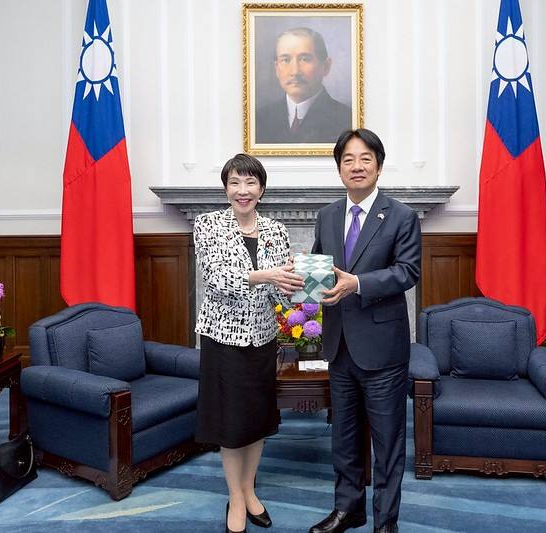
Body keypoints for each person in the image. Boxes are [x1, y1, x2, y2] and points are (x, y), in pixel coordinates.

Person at [309, 129, 421, 533]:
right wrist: (311, 286)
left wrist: (356, 284)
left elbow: (407, 272)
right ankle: (348, 508)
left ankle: (385, 521)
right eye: (348, 160)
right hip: (339, 345)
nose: (356, 166)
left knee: (387, 441)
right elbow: (323, 271)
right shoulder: (326, 215)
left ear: (379, 164)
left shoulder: (401, 216)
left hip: (383, 348)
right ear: (339, 168)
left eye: (365, 159)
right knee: (344, 436)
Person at [193, 153, 304, 533]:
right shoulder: (207, 225)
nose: (243, 191)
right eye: (235, 182)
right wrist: (268, 275)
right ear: (226, 188)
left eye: (251, 183)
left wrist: (298, 286)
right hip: (223, 337)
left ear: (262, 188)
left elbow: (282, 290)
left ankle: (249, 488)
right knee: (231, 421)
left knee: (256, 419)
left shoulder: (275, 229)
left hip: (262, 336)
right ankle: (236, 498)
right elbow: (217, 278)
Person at [256, 27, 352, 144]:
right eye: (285, 60)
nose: (295, 71)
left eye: (304, 59)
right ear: (276, 68)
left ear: (325, 66)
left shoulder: (346, 119)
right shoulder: (259, 119)